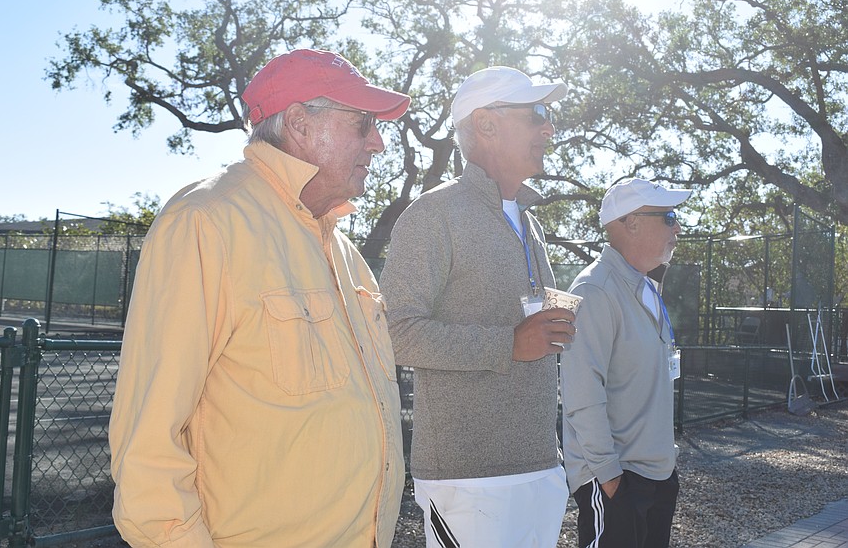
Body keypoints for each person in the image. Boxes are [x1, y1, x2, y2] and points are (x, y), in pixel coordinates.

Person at [108, 49, 411, 548]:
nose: (378, 144)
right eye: (362, 123)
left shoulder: (341, 246)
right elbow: (148, 441)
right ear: (299, 123)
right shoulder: (207, 220)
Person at [380, 66, 575, 547]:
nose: (548, 128)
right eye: (536, 114)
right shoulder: (431, 215)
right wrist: (508, 344)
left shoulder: (531, 224)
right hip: (466, 479)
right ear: (485, 124)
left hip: (540, 465)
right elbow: (396, 332)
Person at [560, 177, 693, 548]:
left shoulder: (648, 287)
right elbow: (582, 395)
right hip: (618, 482)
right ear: (631, 222)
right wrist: (609, 478)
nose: (677, 227)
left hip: (657, 476)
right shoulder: (594, 290)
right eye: (668, 217)